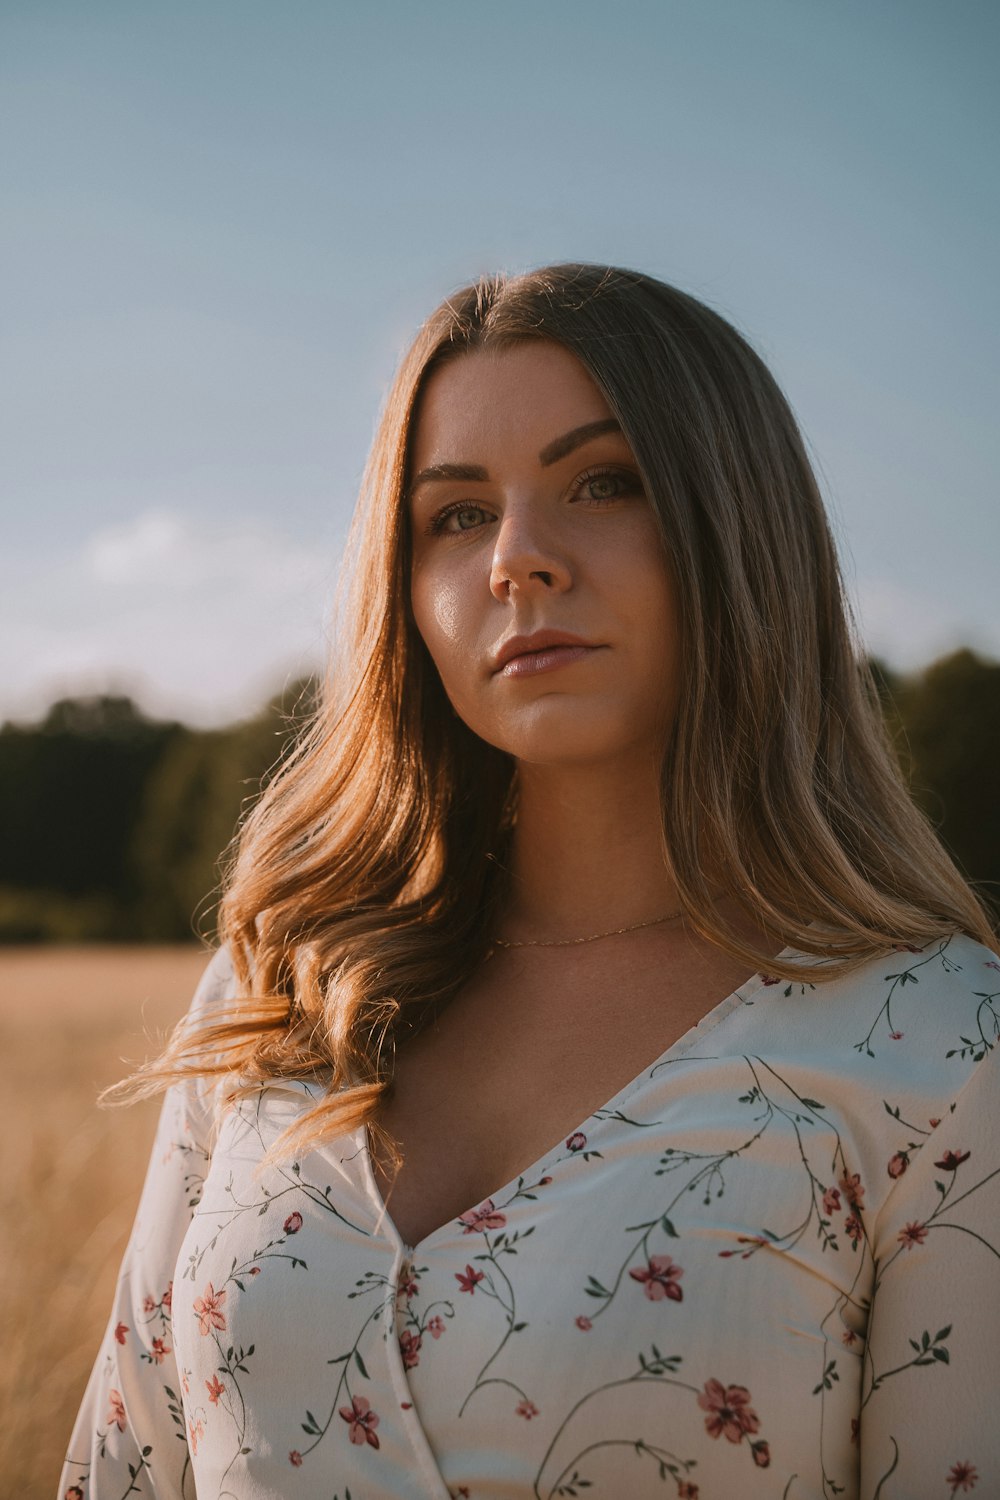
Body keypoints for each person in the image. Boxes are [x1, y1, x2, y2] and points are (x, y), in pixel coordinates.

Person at [60, 264, 999, 1500]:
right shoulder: (285, 989)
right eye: (454, 514)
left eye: (603, 483)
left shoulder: (944, 1049)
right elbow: (129, 1462)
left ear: (739, 527)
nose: (517, 561)